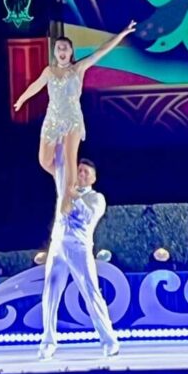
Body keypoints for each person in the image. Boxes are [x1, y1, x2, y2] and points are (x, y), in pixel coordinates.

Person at [13, 23, 136, 213]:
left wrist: (121, 33)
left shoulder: (78, 68)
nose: (62, 51)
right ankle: (67, 182)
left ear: (71, 52)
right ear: (55, 52)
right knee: (44, 161)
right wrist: (21, 100)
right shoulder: (49, 71)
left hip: (72, 119)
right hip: (52, 119)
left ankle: (68, 195)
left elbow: (101, 51)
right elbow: (36, 86)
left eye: (65, 48)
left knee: (71, 159)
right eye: (58, 48)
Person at [39, 147, 119, 360]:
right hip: (57, 247)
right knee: (50, 294)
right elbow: (53, 164)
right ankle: (48, 342)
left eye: (86, 172)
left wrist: (73, 195)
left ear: (93, 177)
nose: (81, 174)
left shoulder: (96, 198)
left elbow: (86, 217)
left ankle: (109, 340)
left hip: (79, 248)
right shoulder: (65, 188)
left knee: (91, 293)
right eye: (79, 170)